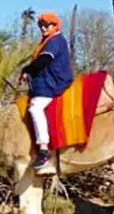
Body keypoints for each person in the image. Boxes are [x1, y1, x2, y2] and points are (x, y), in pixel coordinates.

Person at [19, 12, 74, 175]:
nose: (43, 28)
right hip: (44, 82)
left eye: (47, 25)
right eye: (41, 25)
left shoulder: (55, 41)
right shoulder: (47, 42)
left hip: (52, 83)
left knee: (35, 108)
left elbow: (44, 61)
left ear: (55, 26)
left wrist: (26, 69)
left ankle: (43, 150)